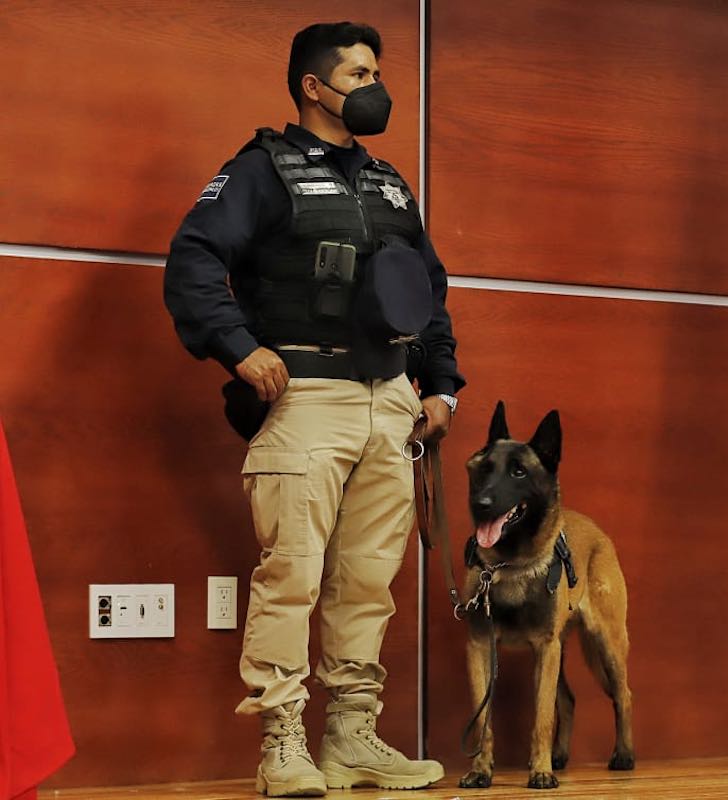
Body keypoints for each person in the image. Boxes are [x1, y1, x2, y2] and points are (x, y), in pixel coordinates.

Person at [163, 21, 463, 797]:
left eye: (376, 72)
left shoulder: (392, 184)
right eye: (360, 74)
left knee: (367, 580)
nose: (375, 86)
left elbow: (427, 293)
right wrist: (236, 346)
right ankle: (282, 742)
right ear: (313, 86)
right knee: (291, 574)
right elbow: (194, 259)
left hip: (390, 404)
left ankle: (351, 738)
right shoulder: (261, 170)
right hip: (307, 398)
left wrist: (440, 386)